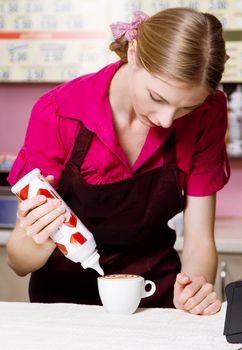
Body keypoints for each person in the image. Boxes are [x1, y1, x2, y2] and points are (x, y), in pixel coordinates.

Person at [7, 7, 230, 315]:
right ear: (134, 52)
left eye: (185, 108)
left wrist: (193, 290)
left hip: (156, 306)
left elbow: (199, 242)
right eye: (157, 97)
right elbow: (18, 263)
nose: (166, 121)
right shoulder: (59, 112)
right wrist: (38, 240)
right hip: (63, 309)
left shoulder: (209, 112)